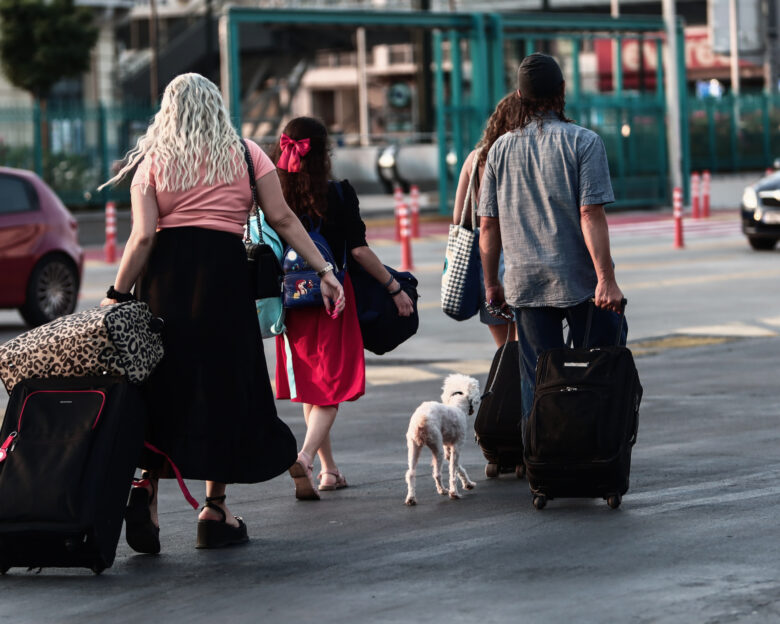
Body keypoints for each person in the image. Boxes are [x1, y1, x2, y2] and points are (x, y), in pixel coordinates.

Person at [98, 73, 345, 551]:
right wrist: (324, 269)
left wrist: (117, 293)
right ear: (216, 106)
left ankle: (145, 489)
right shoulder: (247, 155)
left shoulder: (152, 162)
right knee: (221, 391)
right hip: (224, 289)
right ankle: (214, 509)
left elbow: (143, 237)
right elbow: (283, 218)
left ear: (167, 109)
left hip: (164, 289)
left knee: (160, 387)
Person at [477, 53, 626, 437]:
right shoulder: (585, 142)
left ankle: (540, 459)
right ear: (562, 90)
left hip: (524, 282)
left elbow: (488, 226)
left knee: (537, 377)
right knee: (595, 366)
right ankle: (594, 446)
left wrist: (492, 283)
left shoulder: (499, 150)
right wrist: (606, 279)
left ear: (520, 95)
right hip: (580, 282)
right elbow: (590, 214)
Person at [272, 116, 414, 500]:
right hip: (332, 297)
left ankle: (330, 471)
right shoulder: (338, 194)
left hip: (290, 302)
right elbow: (358, 250)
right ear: (324, 153)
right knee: (332, 387)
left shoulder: (272, 193)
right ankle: (305, 458)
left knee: (311, 389)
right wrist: (394, 286)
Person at [452, 93, 520, 347]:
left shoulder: (476, 158)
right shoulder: (521, 154)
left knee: (504, 351)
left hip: (487, 258)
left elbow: (459, 217)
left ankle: (506, 387)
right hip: (521, 253)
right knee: (528, 348)